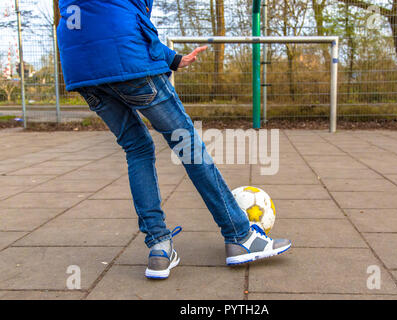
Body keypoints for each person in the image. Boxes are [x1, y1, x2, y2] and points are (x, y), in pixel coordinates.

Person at [57, 0, 291, 279]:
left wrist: (173, 58)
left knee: (137, 148)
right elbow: (130, 18)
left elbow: (105, 15)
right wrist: (167, 56)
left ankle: (158, 246)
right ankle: (240, 235)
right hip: (125, 56)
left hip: (80, 67)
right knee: (188, 146)